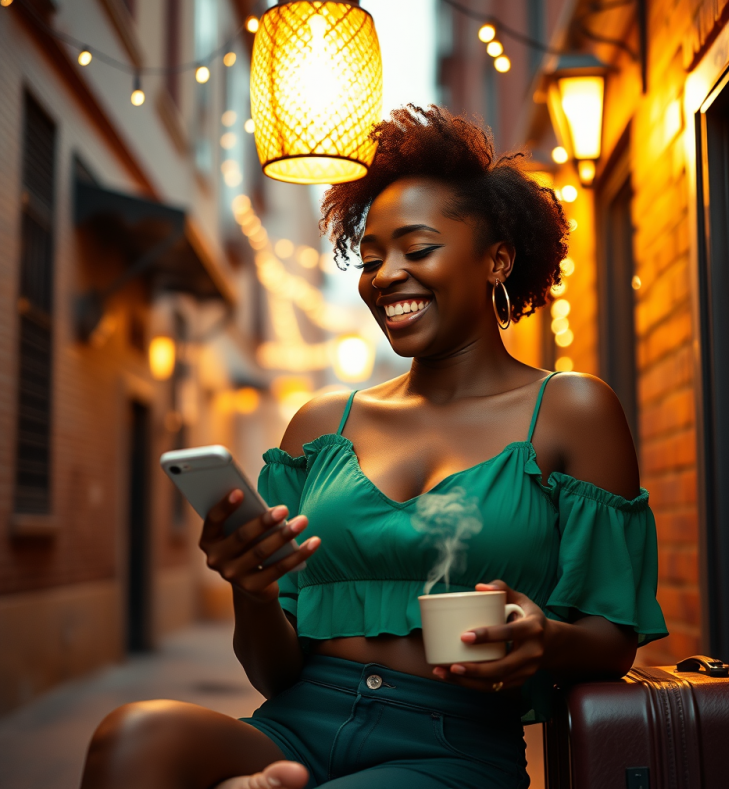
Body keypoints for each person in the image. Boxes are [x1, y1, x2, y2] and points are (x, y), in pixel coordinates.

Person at [80, 105, 667, 789]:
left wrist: (546, 641)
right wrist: (253, 590)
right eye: (371, 258)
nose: (386, 276)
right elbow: (273, 672)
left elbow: (612, 639)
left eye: (417, 250)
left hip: (454, 744)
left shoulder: (571, 409)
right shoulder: (320, 425)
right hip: (298, 720)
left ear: (497, 259)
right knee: (131, 740)